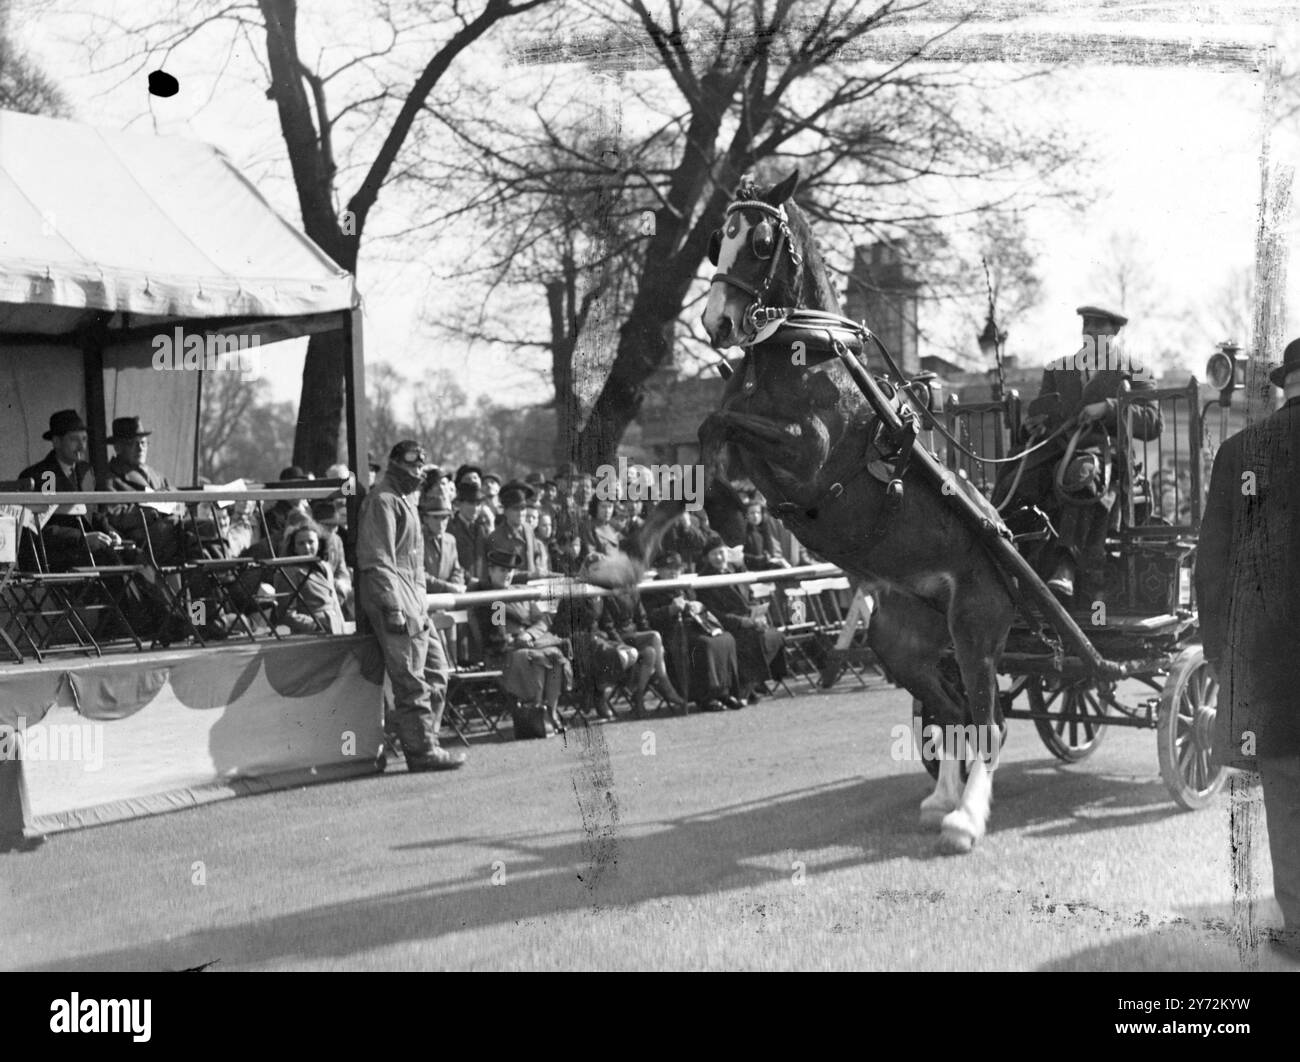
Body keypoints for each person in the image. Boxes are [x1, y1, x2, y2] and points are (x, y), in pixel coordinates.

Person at [1196, 336, 1300, 963]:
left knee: (1287, 797)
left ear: (1285, 382)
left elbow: (1213, 569)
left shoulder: (1241, 454)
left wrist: (1220, 655)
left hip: (1272, 668)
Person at [995, 306, 1163, 604]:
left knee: (1080, 476)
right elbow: (1042, 411)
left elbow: (1152, 422)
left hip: (1105, 455)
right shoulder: (1057, 370)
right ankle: (1008, 565)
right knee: (1013, 482)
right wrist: (1035, 423)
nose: (1090, 331)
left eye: (1099, 326)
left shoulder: (1135, 371)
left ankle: (1066, 565)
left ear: (1114, 332)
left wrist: (1110, 407)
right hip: (1054, 450)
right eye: (1087, 324)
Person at [356, 440, 465, 772]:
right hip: (397, 600)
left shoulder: (403, 500)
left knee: (436, 671)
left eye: (421, 465)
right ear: (394, 463)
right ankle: (422, 750)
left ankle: (425, 740)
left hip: (415, 601)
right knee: (412, 680)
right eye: (412, 464)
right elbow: (377, 560)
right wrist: (392, 606)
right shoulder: (384, 501)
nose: (418, 470)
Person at [473, 547, 571, 738]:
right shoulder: (492, 598)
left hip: (529, 641)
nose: (507, 575)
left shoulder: (520, 592)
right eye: (502, 570)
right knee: (535, 657)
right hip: (505, 651)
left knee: (555, 656)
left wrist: (530, 635)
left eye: (510, 571)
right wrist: (519, 639)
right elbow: (498, 636)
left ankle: (550, 712)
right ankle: (536, 712)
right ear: (491, 571)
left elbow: (542, 620)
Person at [17, 409, 122, 570]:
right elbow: (45, 524)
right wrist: (82, 538)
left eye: (84, 439)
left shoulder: (86, 471)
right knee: (108, 560)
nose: (81, 446)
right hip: (53, 553)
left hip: (84, 550)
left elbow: (93, 513)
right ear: (56, 442)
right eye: (74, 439)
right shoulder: (47, 475)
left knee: (132, 555)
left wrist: (109, 532)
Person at [642, 552, 743, 711]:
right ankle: (705, 697)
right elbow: (648, 618)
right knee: (704, 645)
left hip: (695, 626)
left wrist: (698, 606)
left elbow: (699, 604)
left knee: (726, 638)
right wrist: (669, 610)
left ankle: (724, 691)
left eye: (676, 569)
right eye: (669, 569)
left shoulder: (682, 586)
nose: (674, 572)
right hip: (672, 633)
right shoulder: (651, 590)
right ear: (659, 571)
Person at [695, 534, 787, 702]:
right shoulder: (704, 580)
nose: (719, 557)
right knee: (754, 640)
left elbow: (751, 597)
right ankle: (747, 686)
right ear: (707, 557)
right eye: (714, 554)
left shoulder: (736, 571)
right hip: (729, 626)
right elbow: (714, 613)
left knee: (775, 636)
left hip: (750, 621)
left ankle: (752, 682)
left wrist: (758, 614)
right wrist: (741, 621)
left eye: (721, 552)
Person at [100, 416, 191, 565]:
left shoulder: (157, 476)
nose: (140, 448)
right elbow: (112, 515)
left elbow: (180, 503)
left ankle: (220, 580)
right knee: (192, 537)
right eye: (132, 443)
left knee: (208, 529)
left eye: (143, 443)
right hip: (142, 542)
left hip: (171, 530)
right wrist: (153, 507)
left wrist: (175, 506)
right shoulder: (110, 478)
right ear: (118, 447)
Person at [597, 580, 685, 716]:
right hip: (619, 639)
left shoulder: (633, 591)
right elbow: (609, 627)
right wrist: (622, 645)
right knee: (655, 636)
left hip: (634, 636)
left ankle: (638, 698)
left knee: (651, 652)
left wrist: (649, 640)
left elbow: (642, 619)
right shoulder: (607, 594)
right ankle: (664, 683)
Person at [274, 518, 346, 634]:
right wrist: (316, 626)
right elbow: (286, 614)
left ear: (319, 542)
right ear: (294, 547)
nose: (307, 547)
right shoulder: (288, 572)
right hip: (311, 635)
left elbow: (334, 602)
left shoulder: (325, 567)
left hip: (336, 628)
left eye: (311, 542)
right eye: (301, 543)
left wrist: (341, 626)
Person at [485, 482, 548, 577]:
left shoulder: (528, 529)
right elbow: (500, 574)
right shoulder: (496, 538)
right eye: (515, 509)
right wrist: (531, 575)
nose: (520, 513)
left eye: (523, 508)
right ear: (505, 511)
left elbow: (535, 556)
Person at [419, 493, 466, 594]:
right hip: (425, 598)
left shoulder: (450, 540)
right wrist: (446, 587)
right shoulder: (417, 539)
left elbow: (456, 570)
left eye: (444, 517)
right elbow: (418, 574)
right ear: (425, 518)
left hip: (447, 599)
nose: (440, 523)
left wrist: (456, 583)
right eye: (436, 517)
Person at [742, 496, 790, 571]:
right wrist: (765, 559)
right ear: (746, 515)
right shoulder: (744, 533)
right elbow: (744, 558)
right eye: (752, 513)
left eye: (758, 512)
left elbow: (772, 553)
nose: (755, 516)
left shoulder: (766, 530)